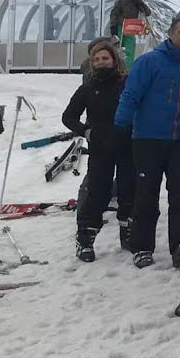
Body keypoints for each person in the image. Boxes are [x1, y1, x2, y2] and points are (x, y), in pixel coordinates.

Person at [115, 12, 180, 271]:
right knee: (146, 193)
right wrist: (121, 125)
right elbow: (131, 94)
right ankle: (142, 246)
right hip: (148, 138)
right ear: (170, 34)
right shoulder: (149, 62)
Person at [64, 40, 136, 260]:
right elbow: (68, 117)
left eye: (105, 58)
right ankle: (85, 239)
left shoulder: (128, 84)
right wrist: (86, 131)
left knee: (129, 190)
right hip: (100, 148)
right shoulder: (88, 87)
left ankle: (129, 232)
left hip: (127, 145)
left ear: (114, 60)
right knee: (97, 192)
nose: (101, 62)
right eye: (96, 59)